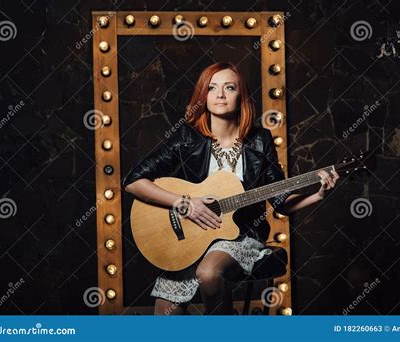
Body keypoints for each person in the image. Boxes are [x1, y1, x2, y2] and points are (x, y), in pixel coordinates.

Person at [122, 62, 339, 315]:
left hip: (240, 235)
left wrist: (318, 195)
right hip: (192, 237)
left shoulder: (260, 140)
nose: (220, 94)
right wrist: (184, 204)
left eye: (229, 87)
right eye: (212, 88)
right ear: (203, 96)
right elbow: (133, 181)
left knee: (209, 272)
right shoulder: (187, 137)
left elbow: (281, 201)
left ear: (241, 95)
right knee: (165, 314)